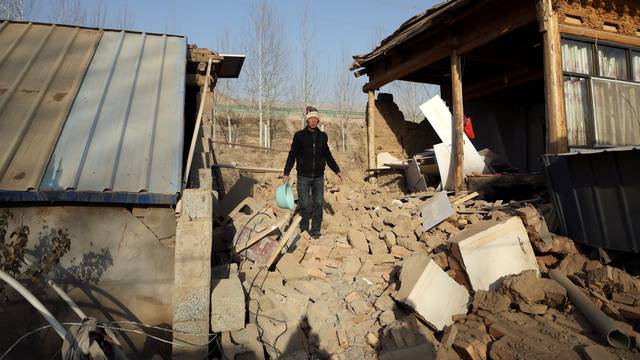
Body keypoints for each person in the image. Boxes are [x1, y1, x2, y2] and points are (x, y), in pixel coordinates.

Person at [283, 106, 342, 238]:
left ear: (318, 120)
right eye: (311, 118)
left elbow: (327, 155)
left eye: (316, 118)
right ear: (307, 120)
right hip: (303, 176)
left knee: (318, 204)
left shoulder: (322, 136)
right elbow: (292, 155)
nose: (313, 121)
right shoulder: (299, 136)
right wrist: (286, 172)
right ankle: (304, 229)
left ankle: (315, 231)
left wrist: (336, 169)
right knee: (304, 204)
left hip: (318, 177)